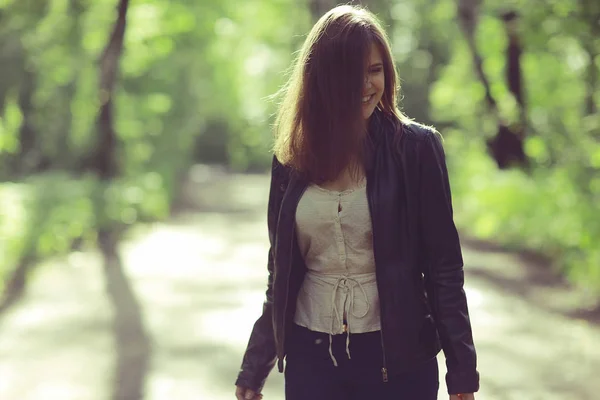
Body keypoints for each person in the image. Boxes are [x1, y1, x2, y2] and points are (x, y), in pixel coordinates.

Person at [235, 4, 479, 400]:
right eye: (353, 72)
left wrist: (462, 376)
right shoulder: (290, 158)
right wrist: (255, 364)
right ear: (323, 77)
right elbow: (279, 272)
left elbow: (444, 270)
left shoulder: (416, 149)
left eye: (375, 70)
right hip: (310, 360)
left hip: (399, 362)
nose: (367, 85)